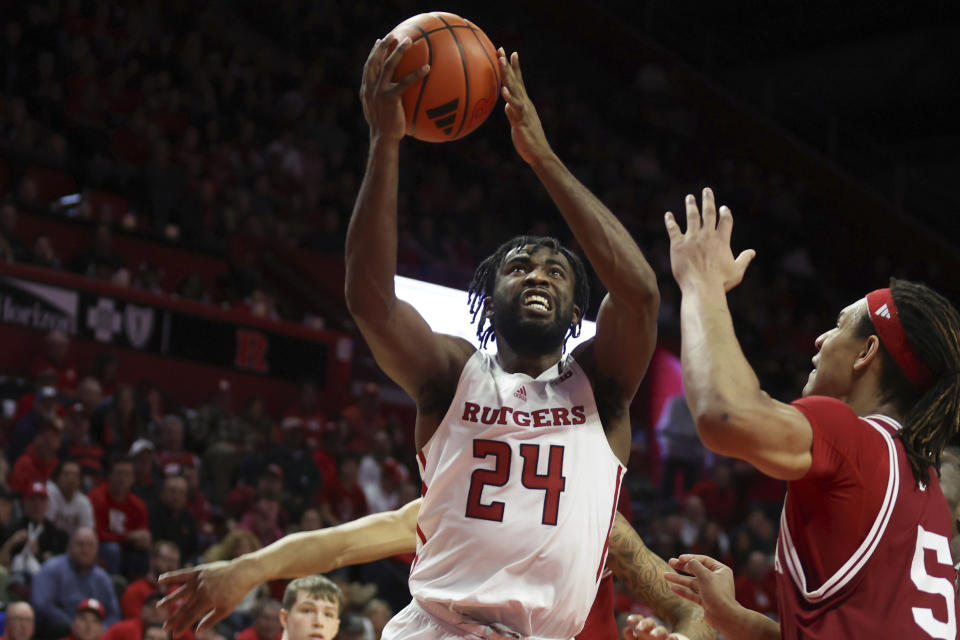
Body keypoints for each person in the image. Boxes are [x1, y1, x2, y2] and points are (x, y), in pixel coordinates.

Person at [335, 35, 660, 640]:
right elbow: (370, 303)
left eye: (556, 271)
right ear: (487, 295)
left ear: (575, 310)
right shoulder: (453, 375)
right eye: (519, 267)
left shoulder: (602, 388)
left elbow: (640, 294)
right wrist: (385, 142)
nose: (537, 273)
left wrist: (542, 157)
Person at [656, 188, 960, 638]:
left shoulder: (855, 438)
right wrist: (735, 618)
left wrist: (700, 281)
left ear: (866, 353)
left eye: (838, 325)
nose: (819, 339)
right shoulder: (927, 489)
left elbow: (724, 414)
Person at [157, 499, 711, 640]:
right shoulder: (462, 503)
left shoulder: (593, 523)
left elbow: (691, 606)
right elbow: (343, 544)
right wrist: (247, 568)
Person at [30, 527, 120, 639]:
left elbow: (114, 614)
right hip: (58, 631)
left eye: (90, 545)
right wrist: (73, 624)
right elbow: (41, 605)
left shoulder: (103, 578)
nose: (85, 550)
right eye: (80, 544)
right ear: (69, 547)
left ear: (97, 550)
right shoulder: (51, 569)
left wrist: (101, 628)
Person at [122, 541, 181, 619]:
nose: (170, 565)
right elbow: (134, 625)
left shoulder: (180, 592)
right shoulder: (134, 590)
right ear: (152, 560)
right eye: (165, 559)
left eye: (174, 561)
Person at [46, 460, 95, 534]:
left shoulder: (84, 501)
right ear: (57, 477)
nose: (70, 479)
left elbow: (88, 531)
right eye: (66, 474)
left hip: (75, 544)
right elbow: (44, 526)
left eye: (75, 475)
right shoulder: (49, 493)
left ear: (80, 481)